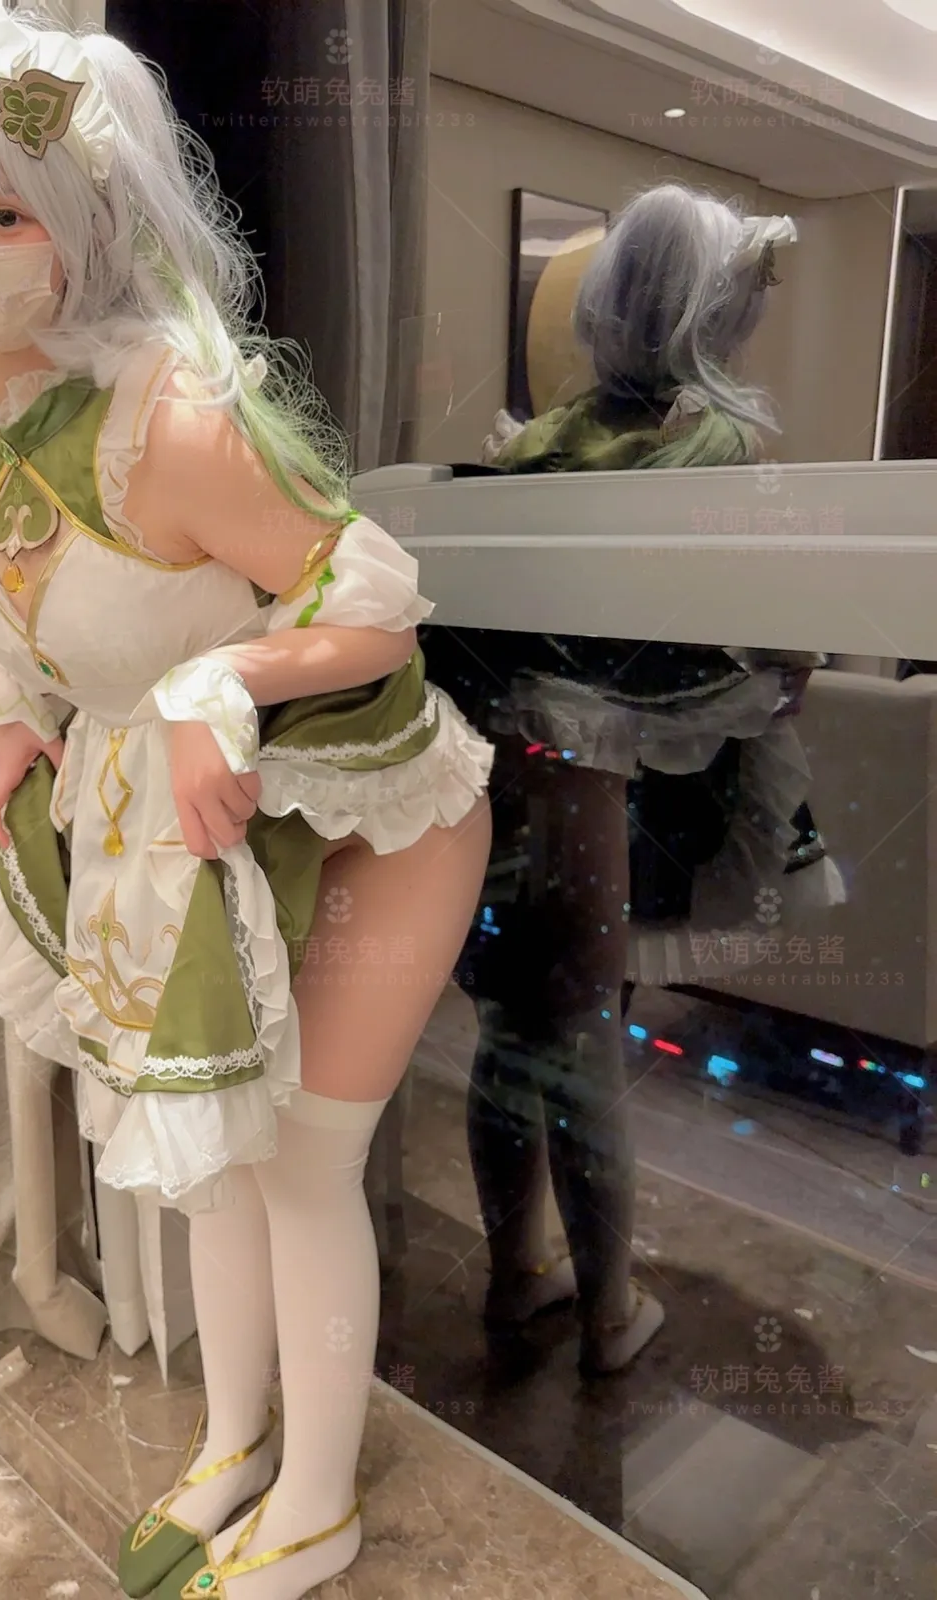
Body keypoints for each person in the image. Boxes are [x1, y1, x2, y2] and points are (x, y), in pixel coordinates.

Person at [0, 4, 494, 1597]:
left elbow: (375, 606)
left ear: (86, 217)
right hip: (178, 819)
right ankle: (234, 1443)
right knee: (222, 1151)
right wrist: (14, 730)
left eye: (3, 212)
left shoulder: (172, 423)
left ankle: (316, 1498)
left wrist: (217, 685)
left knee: (299, 1160)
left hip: (360, 809)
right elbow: (33, 628)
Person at [423, 182, 841, 1373]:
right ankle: (609, 1311)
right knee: (587, 1031)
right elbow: (779, 659)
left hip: (495, 772)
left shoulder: (533, 445)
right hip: (600, 785)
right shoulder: (721, 450)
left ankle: (517, 1274)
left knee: (512, 1026)